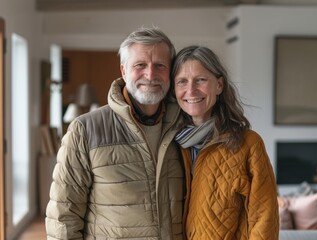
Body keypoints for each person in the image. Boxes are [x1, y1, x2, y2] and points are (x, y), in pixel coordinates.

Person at [45, 27, 185, 239]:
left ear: (170, 72)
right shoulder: (85, 130)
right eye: (140, 65)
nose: (150, 74)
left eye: (160, 66)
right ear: (123, 71)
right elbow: (63, 216)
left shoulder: (185, 126)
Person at [171, 45, 279, 240]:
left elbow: (264, 217)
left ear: (219, 85)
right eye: (182, 82)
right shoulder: (167, 143)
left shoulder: (249, 144)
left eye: (201, 80)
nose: (191, 90)